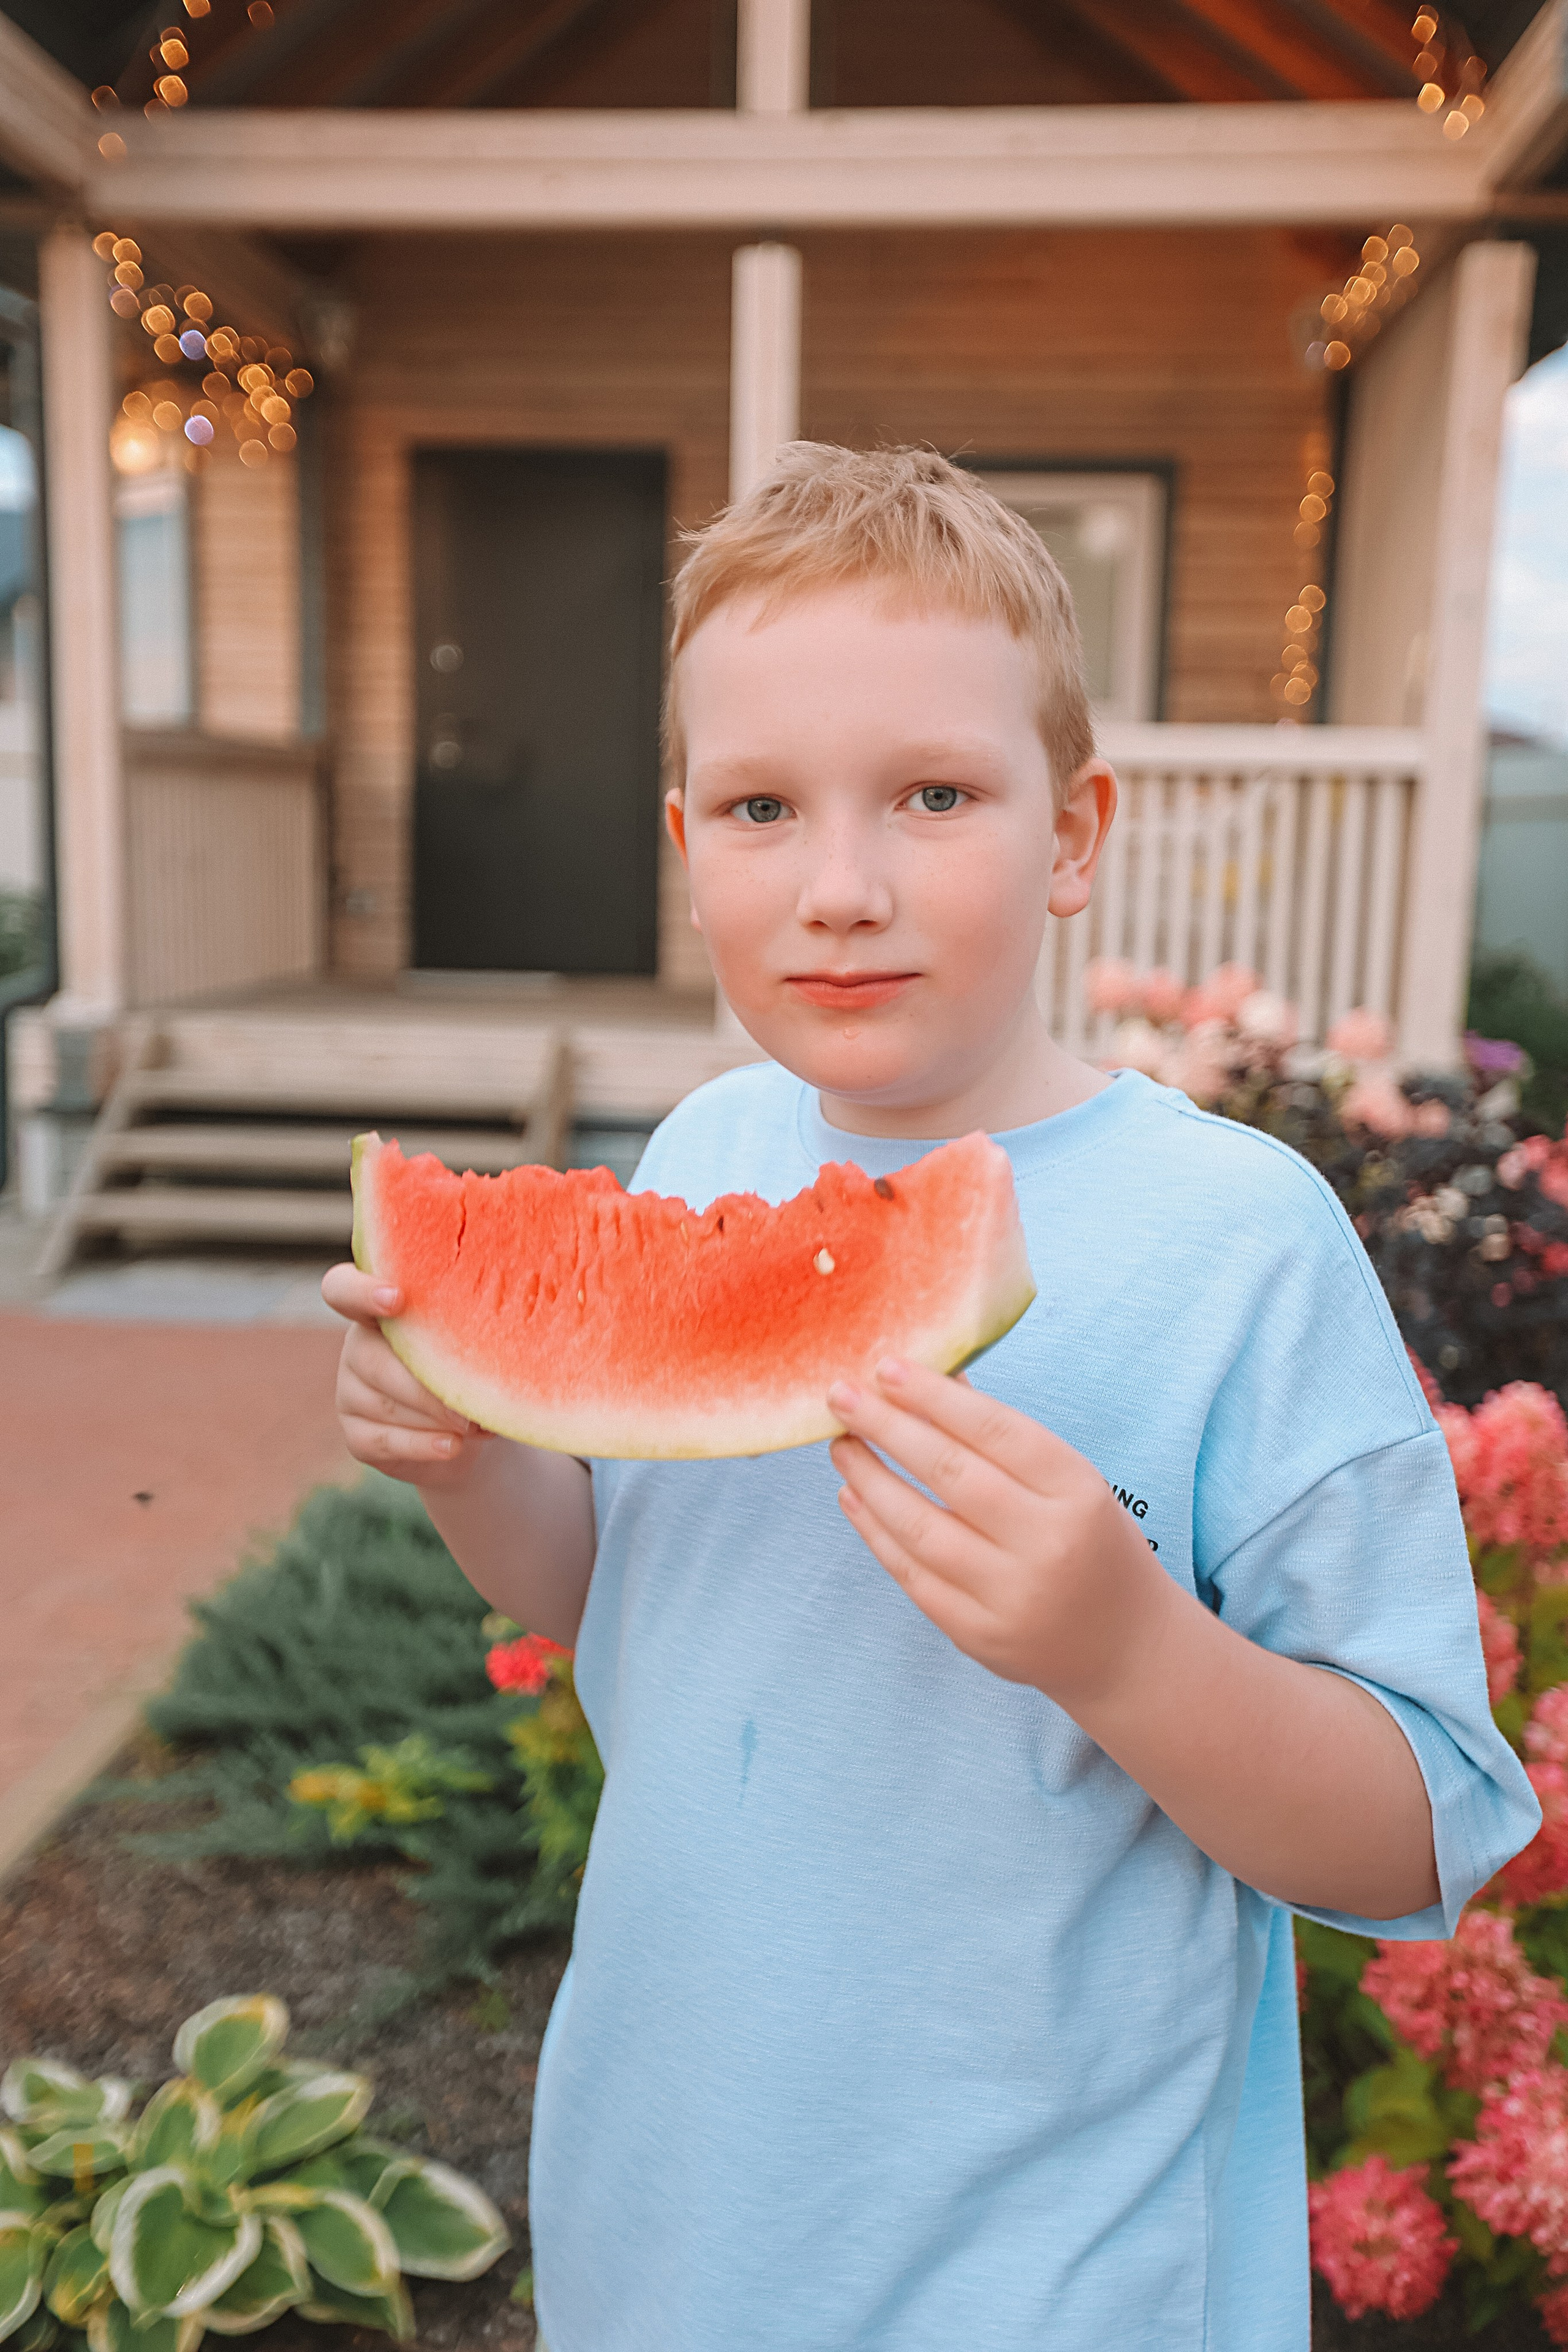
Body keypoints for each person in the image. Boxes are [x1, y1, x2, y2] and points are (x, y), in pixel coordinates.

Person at [323, 444, 1538, 2352]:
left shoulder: (1237, 1238)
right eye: (760, 809)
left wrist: (1127, 1649)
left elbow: (1420, 1833)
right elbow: (619, 1604)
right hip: (678, 2211)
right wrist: (478, 1462)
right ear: (686, 847)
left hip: (1050, 2272)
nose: (841, 885)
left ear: (1073, 837)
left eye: (935, 795)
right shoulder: (708, 1148)